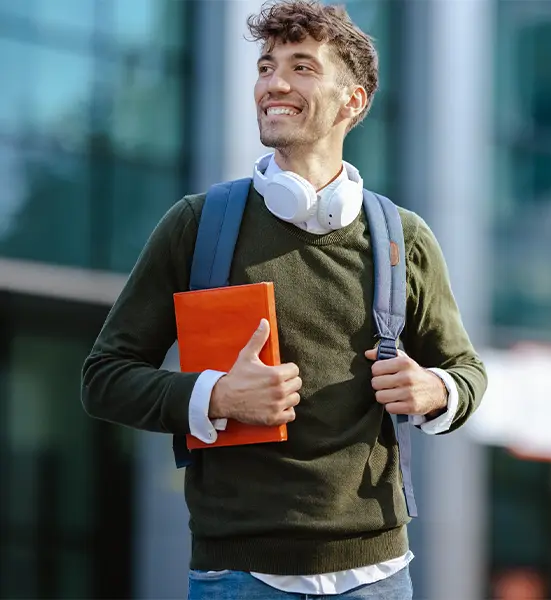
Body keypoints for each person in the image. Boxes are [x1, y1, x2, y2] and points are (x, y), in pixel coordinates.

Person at [80, 1, 488, 598]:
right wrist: (214, 394)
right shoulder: (196, 226)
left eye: (301, 67)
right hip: (239, 576)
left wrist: (438, 391)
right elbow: (103, 378)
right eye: (266, 66)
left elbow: (467, 372)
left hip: (378, 577)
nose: (274, 83)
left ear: (353, 101)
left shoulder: (404, 239)